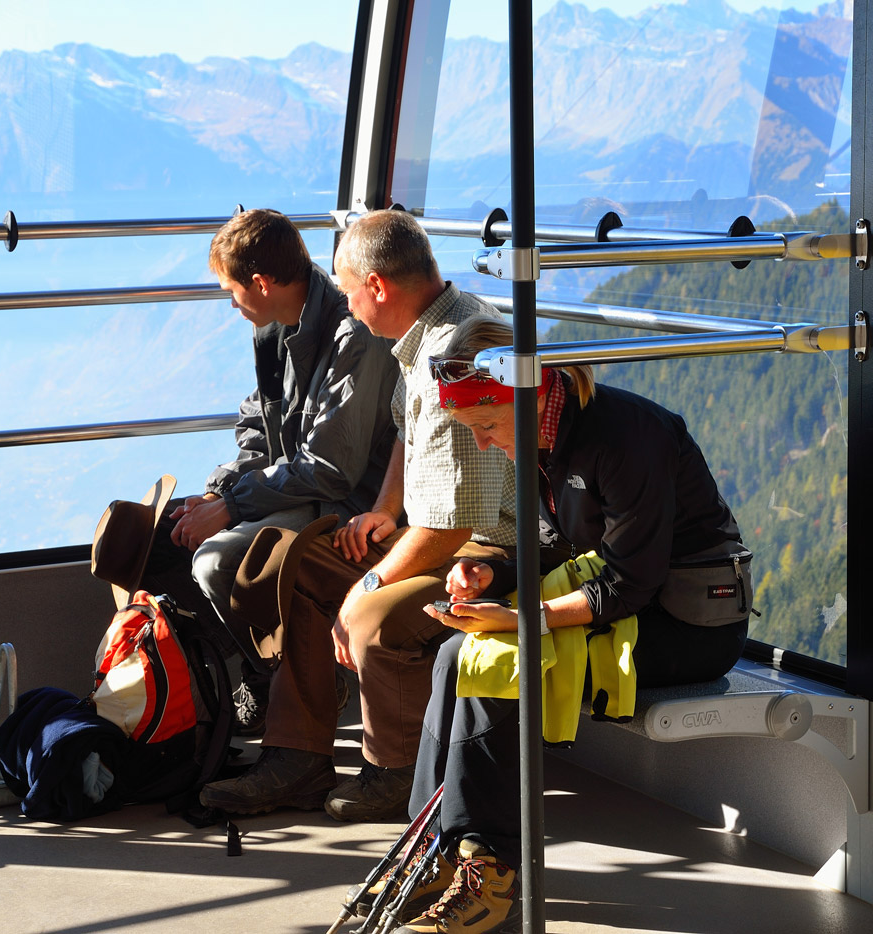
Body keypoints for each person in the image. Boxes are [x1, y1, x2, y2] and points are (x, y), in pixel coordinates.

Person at [367, 314, 751, 934]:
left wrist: (525, 619)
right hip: (629, 609)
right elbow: (558, 542)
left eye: (488, 425)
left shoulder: (627, 437)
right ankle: (433, 846)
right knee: (453, 655)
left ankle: (488, 873)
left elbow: (632, 580)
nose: (487, 443)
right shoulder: (543, 434)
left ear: (527, 390)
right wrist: (488, 577)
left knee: (506, 658)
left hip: (688, 624)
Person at [197, 210, 518, 821]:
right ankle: (299, 758)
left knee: (367, 613)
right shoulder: (424, 334)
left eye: (348, 291)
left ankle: (393, 771)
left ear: (377, 286)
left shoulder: (457, 354)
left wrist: (372, 580)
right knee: (301, 568)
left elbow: (454, 525)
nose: (347, 306)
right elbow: (405, 428)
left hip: (484, 547)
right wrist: (384, 508)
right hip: (427, 524)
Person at [139, 208, 399, 734]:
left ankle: (293, 678)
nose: (231, 304)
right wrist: (219, 491)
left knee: (214, 561)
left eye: (231, 290)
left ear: (260, 283)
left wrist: (231, 508)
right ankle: (273, 673)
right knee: (161, 537)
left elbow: (333, 471)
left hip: (347, 505)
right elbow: (260, 427)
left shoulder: (354, 338)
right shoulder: (275, 328)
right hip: (298, 485)